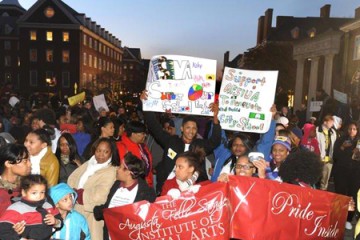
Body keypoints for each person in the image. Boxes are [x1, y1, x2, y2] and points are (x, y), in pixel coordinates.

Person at [141, 90, 221, 194]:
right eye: (188, 127)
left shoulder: (200, 145)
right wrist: (146, 104)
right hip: (167, 188)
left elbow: (215, 141)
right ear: (182, 128)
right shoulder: (171, 141)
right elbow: (154, 127)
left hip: (193, 190)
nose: (191, 131)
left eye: (194, 128)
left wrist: (215, 118)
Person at [94, 152, 156, 240]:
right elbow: (109, 208)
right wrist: (99, 211)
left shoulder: (146, 193)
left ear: (128, 172)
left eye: (120, 167)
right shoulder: (116, 185)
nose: (117, 169)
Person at [67, 137, 119, 240]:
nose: (101, 154)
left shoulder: (112, 171)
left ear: (111, 153)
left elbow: (101, 194)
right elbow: (72, 178)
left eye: (105, 152)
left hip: (91, 215)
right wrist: (73, 192)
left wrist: (77, 194)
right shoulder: (89, 163)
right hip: (75, 209)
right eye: (98, 150)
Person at [0, 174, 62, 240]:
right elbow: (3, 231)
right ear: (23, 192)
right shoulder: (16, 209)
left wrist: (56, 222)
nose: (39, 196)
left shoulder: (48, 206)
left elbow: (60, 221)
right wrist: (21, 238)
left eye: (42, 192)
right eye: (34, 193)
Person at [332, 122, 359, 229]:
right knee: (340, 194)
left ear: (357, 130)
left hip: (356, 173)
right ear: (347, 130)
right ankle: (338, 217)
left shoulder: (359, 141)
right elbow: (335, 155)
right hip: (341, 172)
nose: (352, 131)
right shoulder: (340, 140)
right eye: (350, 129)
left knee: (353, 195)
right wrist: (342, 147)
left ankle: (349, 219)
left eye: (354, 129)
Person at [117, 120, 153, 187]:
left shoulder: (142, 145)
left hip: (146, 184)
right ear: (133, 134)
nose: (145, 136)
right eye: (142, 133)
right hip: (132, 185)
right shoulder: (121, 147)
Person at [0, 144, 31, 216]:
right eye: (25, 161)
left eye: (29, 160)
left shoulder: (30, 185)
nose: (29, 164)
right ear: (8, 163)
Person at [316, 114, 336, 190]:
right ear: (325, 122)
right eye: (331, 122)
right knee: (316, 177)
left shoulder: (333, 132)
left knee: (325, 179)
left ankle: (323, 193)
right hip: (319, 158)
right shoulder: (317, 130)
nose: (332, 124)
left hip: (329, 159)